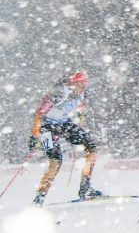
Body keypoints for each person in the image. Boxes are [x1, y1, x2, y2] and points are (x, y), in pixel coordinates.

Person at [29, 71, 102, 206]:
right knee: (55, 161)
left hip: (64, 124)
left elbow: (79, 107)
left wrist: (79, 117)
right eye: (79, 84)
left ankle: (85, 188)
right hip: (46, 127)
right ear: (72, 83)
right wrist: (34, 136)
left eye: (84, 84)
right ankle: (40, 197)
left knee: (91, 147)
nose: (82, 87)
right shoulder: (59, 93)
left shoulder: (82, 93)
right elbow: (39, 114)